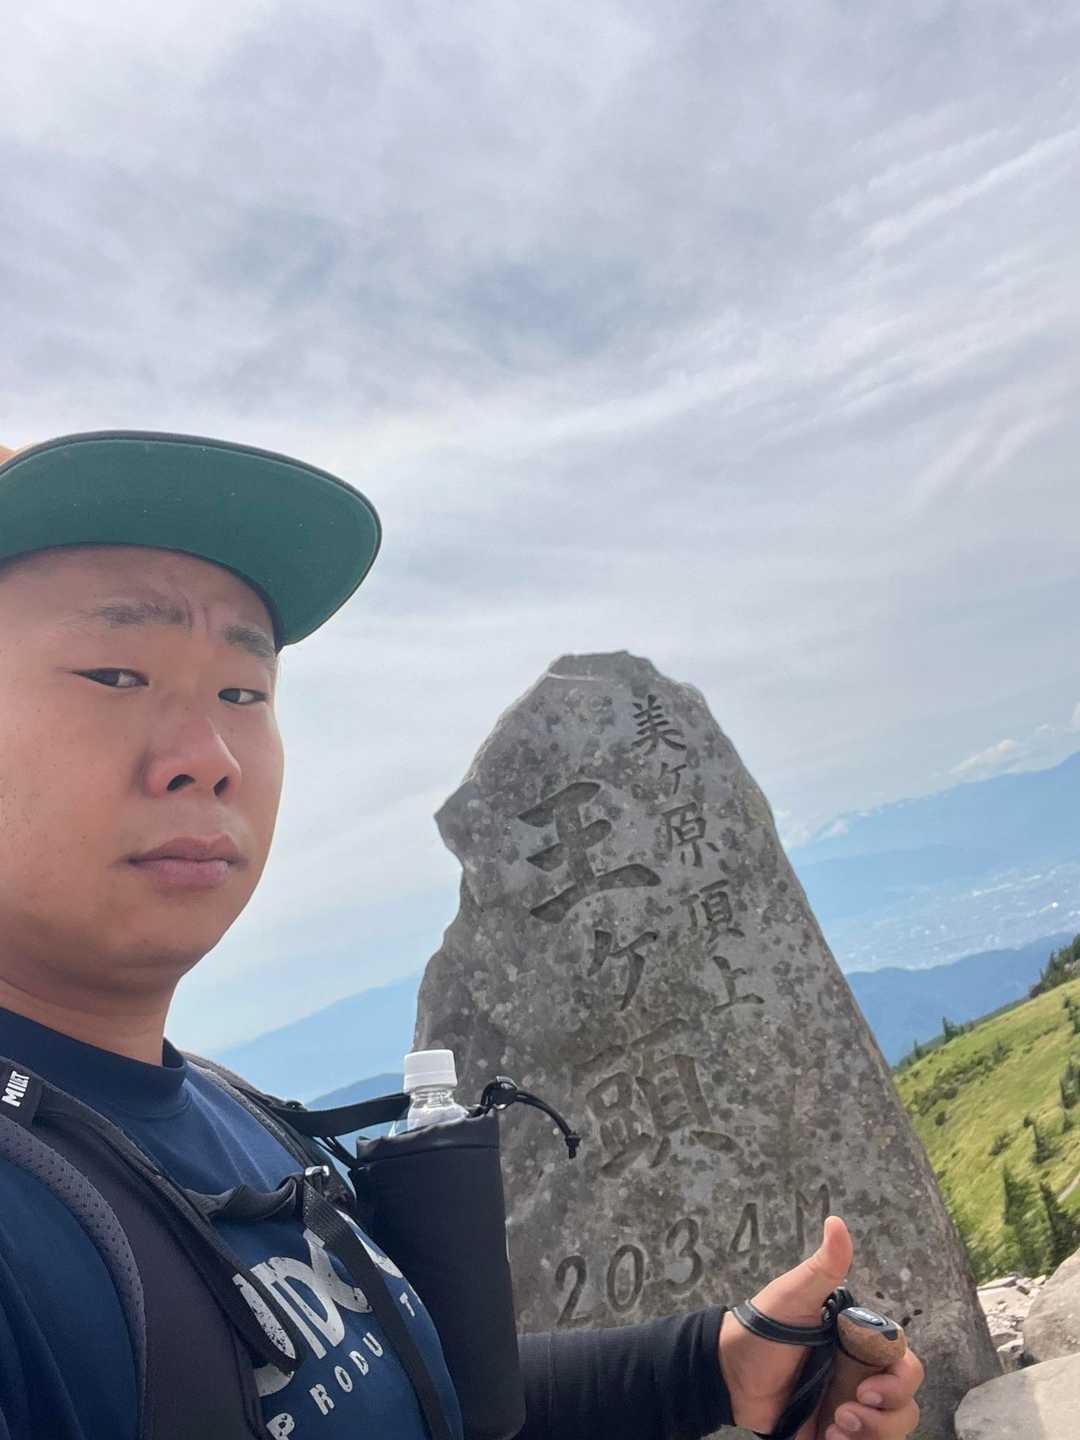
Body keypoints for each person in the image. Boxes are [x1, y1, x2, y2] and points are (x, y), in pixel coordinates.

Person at [0, 432, 923, 1440]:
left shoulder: (226, 1112)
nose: (211, 754)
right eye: (115, 673)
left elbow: (409, 1393)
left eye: (243, 692)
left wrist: (710, 1367)